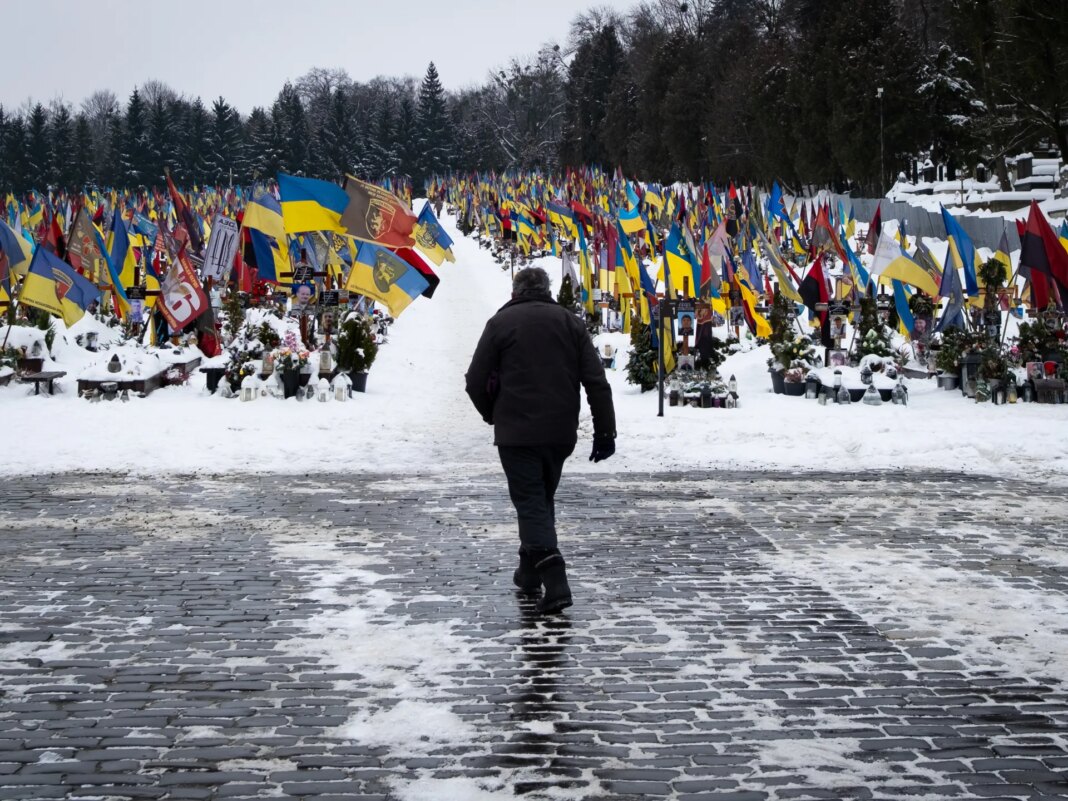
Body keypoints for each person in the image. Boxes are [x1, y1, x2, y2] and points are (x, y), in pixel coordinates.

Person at [465, 267, 616, 614]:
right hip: (560, 432)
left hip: (517, 432)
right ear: (546, 290)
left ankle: (556, 578)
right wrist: (605, 430)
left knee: (531, 500)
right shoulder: (570, 323)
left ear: (515, 290)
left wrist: (493, 413)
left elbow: (474, 380)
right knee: (539, 497)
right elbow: (596, 380)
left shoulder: (501, 323)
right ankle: (529, 570)